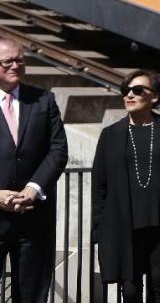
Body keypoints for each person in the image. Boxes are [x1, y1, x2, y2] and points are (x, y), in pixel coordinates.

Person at [92, 69, 160, 303]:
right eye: (126, 91)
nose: (129, 96)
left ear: (154, 97)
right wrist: (98, 228)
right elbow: (99, 185)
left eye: (137, 90)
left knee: (159, 288)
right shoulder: (111, 135)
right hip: (124, 225)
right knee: (130, 291)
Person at [0, 37, 68, 303]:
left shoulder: (43, 100)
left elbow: (58, 151)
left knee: (31, 293)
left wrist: (33, 188)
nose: (16, 65)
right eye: (8, 61)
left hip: (34, 218)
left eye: (20, 60)